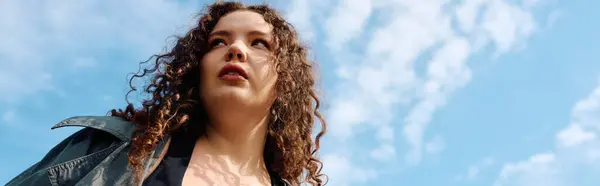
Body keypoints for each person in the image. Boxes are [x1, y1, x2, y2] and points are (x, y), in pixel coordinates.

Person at [6, 1, 327, 186]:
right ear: (195, 67)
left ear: (285, 77)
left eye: (259, 43)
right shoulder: (115, 146)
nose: (236, 49)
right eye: (218, 42)